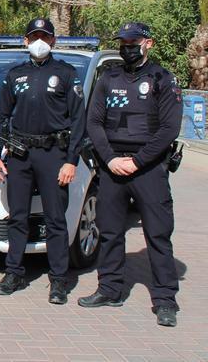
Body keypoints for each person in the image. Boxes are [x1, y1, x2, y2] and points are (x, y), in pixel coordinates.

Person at [78, 22, 183, 328]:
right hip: (112, 169)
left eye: (133, 41)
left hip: (148, 169)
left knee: (158, 235)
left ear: (147, 43)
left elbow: (169, 129)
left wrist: (137, 162)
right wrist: (110, 160)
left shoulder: (163, 78)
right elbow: (93, 122)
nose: (127, 46)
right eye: (123, 41)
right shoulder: (108, 78)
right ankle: (110, 289)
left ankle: (165, 300)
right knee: (109, 231)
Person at [0, 18, 85, 304]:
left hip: (54, 155)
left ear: (53, 41)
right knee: (18, 217)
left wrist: (71, 161)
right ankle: (14, 272)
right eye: (35, 36)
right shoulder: (15, 74)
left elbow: (78, 120)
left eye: (45, 36)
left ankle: (58, 280)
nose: (40, 41)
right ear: (26, 41)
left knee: (55, 218)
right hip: (19, 154)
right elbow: (1, 116)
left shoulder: (66, 74)